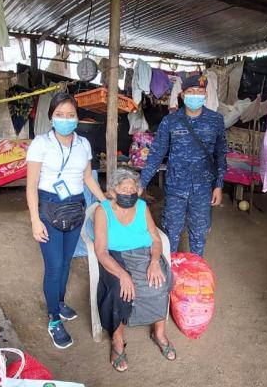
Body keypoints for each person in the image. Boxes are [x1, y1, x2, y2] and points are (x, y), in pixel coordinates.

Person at [26, 92, 106, 349]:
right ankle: (53, 320)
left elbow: (88, 178)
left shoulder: (84, 144)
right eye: (59, 115)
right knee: (55, 266)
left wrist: (104, 202)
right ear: (51, 117)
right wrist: (35, 221)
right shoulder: (40, 143)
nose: (65, 119)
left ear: (77, 118)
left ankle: (59, 303)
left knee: (66, 263)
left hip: (75, 209)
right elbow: (30, 186)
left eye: (70, 115)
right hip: (49, 208)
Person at [94, 168, 175, 372]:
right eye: (123, 189)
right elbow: (101, 251)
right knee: (121, 292)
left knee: (160, 282)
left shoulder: (142, 207)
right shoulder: (102, 211)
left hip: (145, 254)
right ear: (112, 191)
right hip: (116, 258)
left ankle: (159, 333)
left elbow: (156, 239)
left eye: (133, 189)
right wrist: (122, 274)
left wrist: (155, 261)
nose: (129, 193)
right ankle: (117, 340)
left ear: (138, 191)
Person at [140, 74, 227, 256]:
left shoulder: (216, 120)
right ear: (182, 94)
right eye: (191, 91)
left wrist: (218, 186)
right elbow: (156, 153)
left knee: (199, 234)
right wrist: (142, 183)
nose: (195, 95)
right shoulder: (170, 121)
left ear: (205, 95)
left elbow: (220, 155)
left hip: (203, 189)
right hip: (176, 189)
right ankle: (170, 275)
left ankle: (194, 276)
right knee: (171, 232)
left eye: (200, 91)